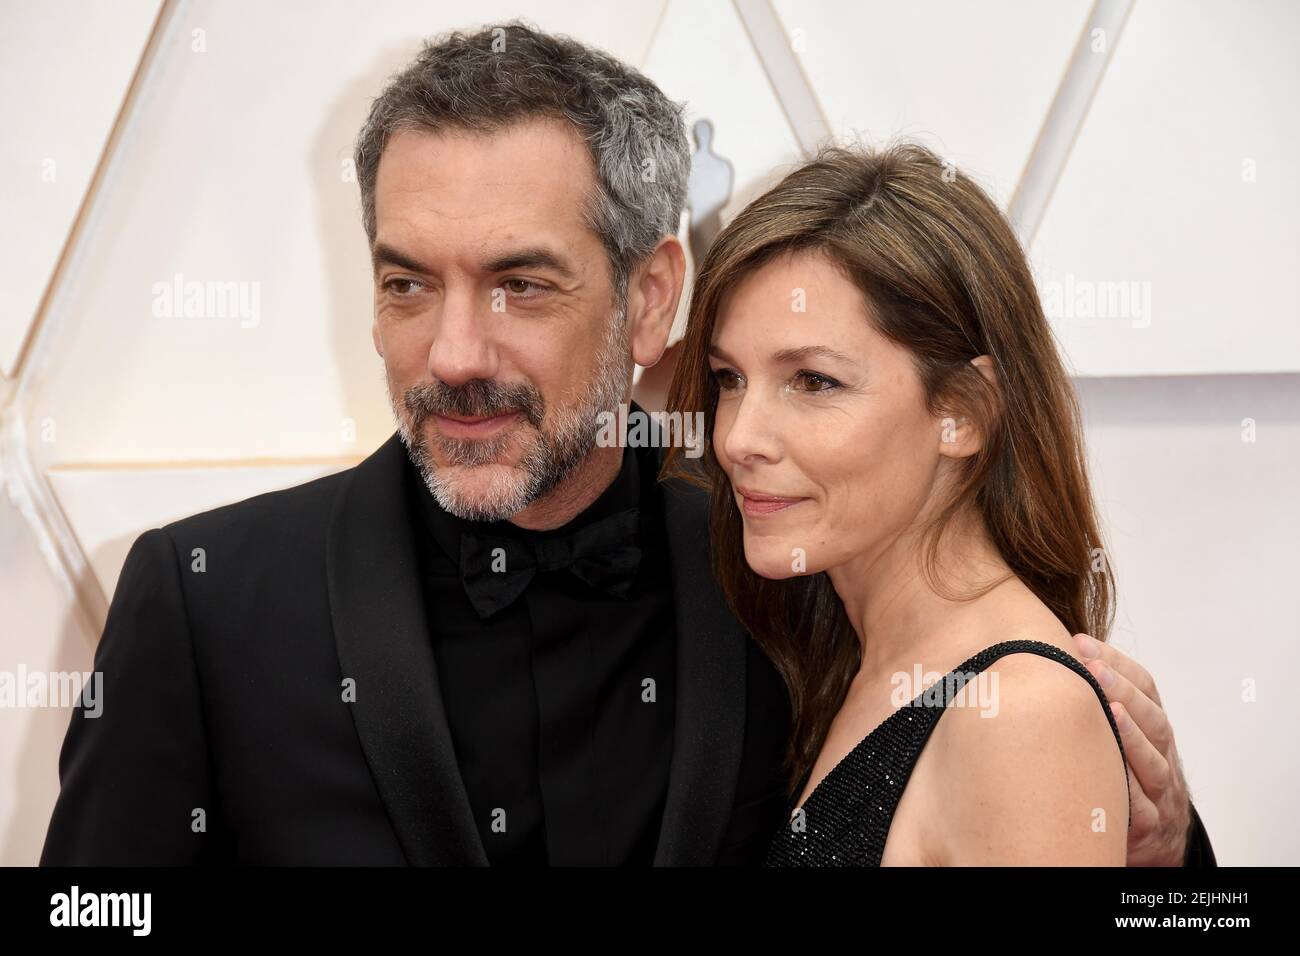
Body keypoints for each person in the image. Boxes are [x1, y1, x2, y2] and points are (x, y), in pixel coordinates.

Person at [41, 22, 1212, 866]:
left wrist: (1163, 843)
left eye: (519, 283)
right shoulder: (203, 599)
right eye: (407, 282)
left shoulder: (787, 570)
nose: (451, 352)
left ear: (651, 297)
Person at [662, 140, 1215, 865]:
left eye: (814, 382)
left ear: (965, 411)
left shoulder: (1021, 714)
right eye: (729, 378)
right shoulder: (836, 653)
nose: (737, 437)